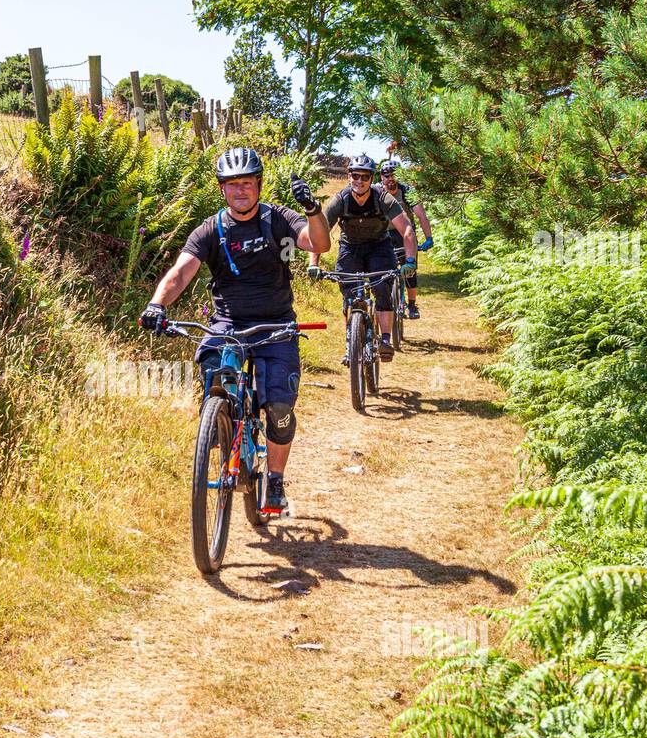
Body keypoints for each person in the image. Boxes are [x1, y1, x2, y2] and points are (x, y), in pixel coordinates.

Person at [139, 147, 330, 514]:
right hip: (228, 324)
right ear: (222, 189)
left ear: (258, 184)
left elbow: (318, 243)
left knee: (277, 408)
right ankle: (221, 420)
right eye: (232, 185)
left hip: (275, 323)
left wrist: (312, 210)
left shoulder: (278, 220)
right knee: (213, 362)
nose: (240, 191)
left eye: (246, 183)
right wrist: (156, 305)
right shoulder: (210, 230)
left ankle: (274, 479)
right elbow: (181, 272)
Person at [307, 154, 417, 360]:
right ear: (349, 176)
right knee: (349, 294)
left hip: (379, 247)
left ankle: (385, 340)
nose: (359, 181)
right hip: (350, 248)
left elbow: (407, 230)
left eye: (365, 177)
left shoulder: (383, 198)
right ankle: (351, 342)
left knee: (382, 289)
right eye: (355, 176)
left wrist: (410, 261)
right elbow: (318, 233)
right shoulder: (340, 200)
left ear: (371, 179)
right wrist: (314, 264)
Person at [378, 160, 434, 319]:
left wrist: (428, 238)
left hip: (406, 235)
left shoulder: (407, 191)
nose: (390, 178)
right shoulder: (376, 191)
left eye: (394, 175)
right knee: (383, 271)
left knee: (409, 271)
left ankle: (411, 304)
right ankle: (386, 301)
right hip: (384, 234)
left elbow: (421, 216)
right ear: (381, 177)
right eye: (387, 175)